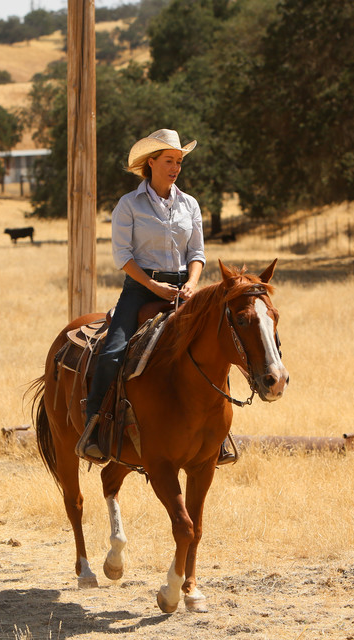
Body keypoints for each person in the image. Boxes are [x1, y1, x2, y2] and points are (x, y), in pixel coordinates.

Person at [76, 128, 210, 463]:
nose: (175, 167)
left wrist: (192, 283)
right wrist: (154, 287)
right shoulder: (128, 205)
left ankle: (217, 435)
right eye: (169, 160)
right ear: (151, 163)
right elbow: (123, 257)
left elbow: (197, 253)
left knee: (218, 342)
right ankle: (94, 426)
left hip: (183, 288)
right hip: (141, 288)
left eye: (179, 161)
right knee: (114, 351)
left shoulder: (189, 204)